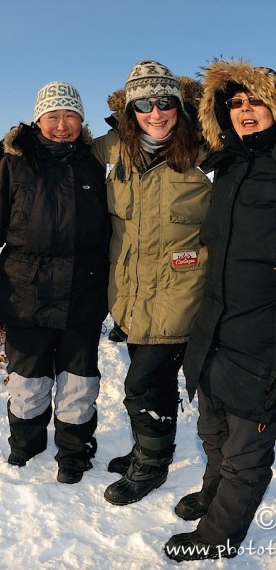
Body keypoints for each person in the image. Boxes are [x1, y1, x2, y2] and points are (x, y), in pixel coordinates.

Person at [0, 81, 109, 484]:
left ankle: (74, 451)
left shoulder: (93, 165)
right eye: (53, 116)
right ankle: (26, 444)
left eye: (70, 116)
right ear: (38, 120)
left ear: (81, 120)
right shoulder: (14, 166)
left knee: (79, 384)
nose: (61, 125)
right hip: (26, 295)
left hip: (83, 294)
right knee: (28, 382)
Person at [164, 59, 276, 562]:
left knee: (245, 451)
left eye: (255, 101)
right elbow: (169, 129)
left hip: (264, 334)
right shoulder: (228, 162)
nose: (246, 111)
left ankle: (219, 538)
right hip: (215, 324)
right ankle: (213, 499)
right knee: (212, 426)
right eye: (235, 103)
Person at [91, 61, 212, 505]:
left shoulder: (204, 152)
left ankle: (152, 466)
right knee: (151, 383)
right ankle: (150, 446)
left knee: (143, 386)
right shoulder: (116, 149)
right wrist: (21, 146)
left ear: (179, 107)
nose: (155, 113)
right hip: (131, 296)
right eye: (144, 104)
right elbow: (62, 148)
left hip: (181, 296)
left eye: (165, 103)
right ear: (130, 110)